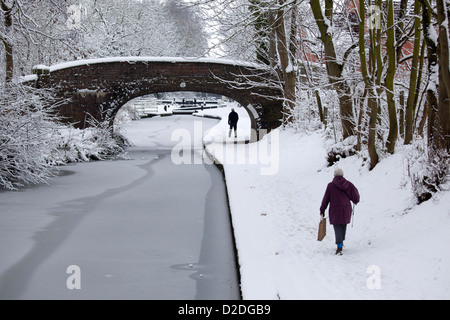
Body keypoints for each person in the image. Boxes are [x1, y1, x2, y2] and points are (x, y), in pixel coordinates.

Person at [320, 168, 360, 255]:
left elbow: (325, 199)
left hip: (335, 210)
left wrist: (322, 210)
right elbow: (355, 194)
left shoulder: (330, 186)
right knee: (343, 225)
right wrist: (355, 200)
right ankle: (341, 242)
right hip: (346, 209)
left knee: (337, 227)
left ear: (334, 175)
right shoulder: (348, 184)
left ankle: (339, 246)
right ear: (342, 175)